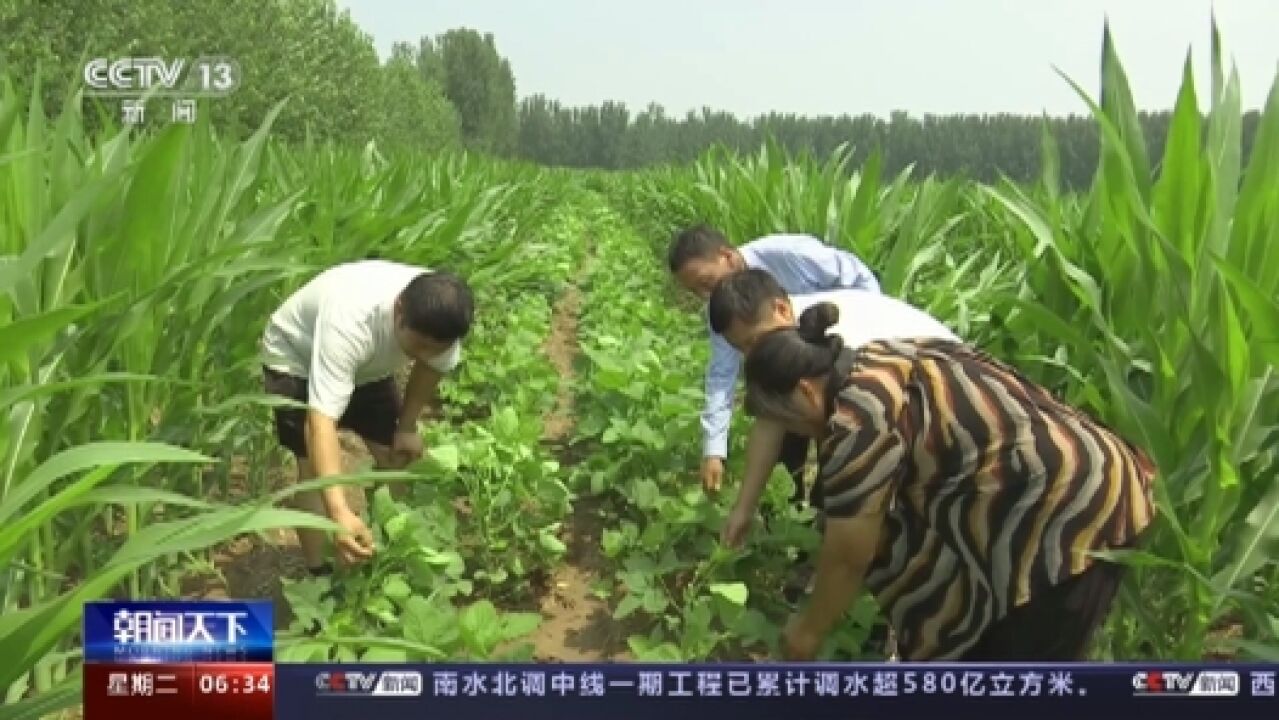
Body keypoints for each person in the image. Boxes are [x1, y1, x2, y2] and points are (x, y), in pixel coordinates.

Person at [740, 303, 1157, 661]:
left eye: (791, 422)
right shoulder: (876, 357)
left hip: (1073, 509)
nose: (802, 435)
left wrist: (807, 630)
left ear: (807, 393)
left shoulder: (858, 419)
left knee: (1021, 673)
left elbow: (850, 553)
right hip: (1080, 472)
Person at [706, 268, 959, 551]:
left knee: (882, 518)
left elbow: (852, 451)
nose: (752, 353)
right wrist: (743, 508)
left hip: (950, 407)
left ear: (780, 309)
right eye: (742, 348)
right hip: (910, 400)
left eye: (752, 341)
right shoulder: (795, 335)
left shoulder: (845, 346)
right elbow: (771, 421)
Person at [260, 259, 473, 572]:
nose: (425, 353)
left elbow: (431, 368)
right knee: (313, 471)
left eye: (435, 348)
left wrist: (407, 426)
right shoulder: (350, 321)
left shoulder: (445, 320)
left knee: (396, 458)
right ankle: (320, 572)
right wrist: (339, 511)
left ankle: (388, 551)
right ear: (399, 310)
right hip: (296, 359)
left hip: (369, 367)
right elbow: (320, 424)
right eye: (419, 345)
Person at [666, 225, 880, 505]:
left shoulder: (790, 255)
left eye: (706, 282)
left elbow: (858, 277)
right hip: (789, 381)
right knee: (785, 456)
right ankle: (788, 517)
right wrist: (714, 450)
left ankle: (826, 515)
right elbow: (721, 375)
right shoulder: (720, 309)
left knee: (839, 461)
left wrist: (866, 346)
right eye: (696, 292)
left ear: (726, 256)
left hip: (842, 367)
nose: (706, 296)